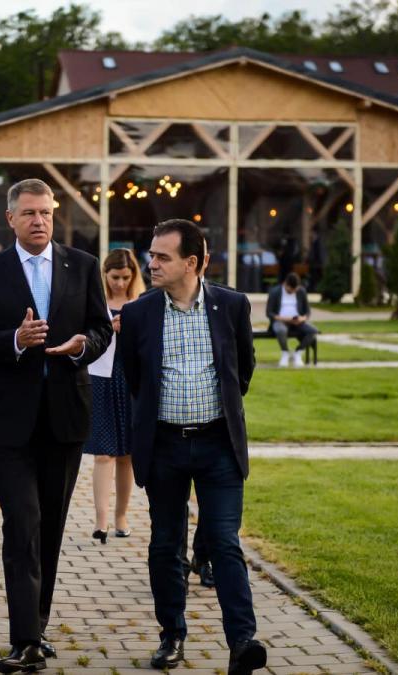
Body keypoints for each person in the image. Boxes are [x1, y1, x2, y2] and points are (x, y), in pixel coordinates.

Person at [0, 178, 112, 673]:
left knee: (50, 528)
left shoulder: (84, 265)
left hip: (65, 417)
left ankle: (38, 626)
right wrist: (17, 340)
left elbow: (101, 329)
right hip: (9, 424)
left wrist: (81, 348)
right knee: (22, 526)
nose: (39, 220)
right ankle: (24, 640)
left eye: (46, 212)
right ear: (11, 218)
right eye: (29, 213)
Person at [119, 219, 266, 675]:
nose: (152, 262)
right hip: (163, 446)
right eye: (152, 254)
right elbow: (134, 377)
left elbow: (241, 371)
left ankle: (242, 641)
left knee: (223, 541)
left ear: (193, 262)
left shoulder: (232, 306)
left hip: (219, 445)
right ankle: (172, 635)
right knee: (166, 544)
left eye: (162, 257)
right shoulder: (140, 312)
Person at [84, 248, 144, 544]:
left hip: (131, 380)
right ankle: (101, 520)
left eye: (125, 277)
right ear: (105, 275)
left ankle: (121, 516)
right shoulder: (96, 303)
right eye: (115, 277)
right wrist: (110, 328)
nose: (120, 283)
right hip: (101, 378)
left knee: (126, 455)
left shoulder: (141, 303)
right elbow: (86, 334)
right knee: (103, 453)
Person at [266, 272, 318, 367]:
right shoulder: (275, 292)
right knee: (281, 330)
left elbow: (307, 312)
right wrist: (285, 319)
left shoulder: (301, 291)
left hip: (298, 322)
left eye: (295, 289)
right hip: (280, 321)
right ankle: (285, 352)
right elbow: (269, 313)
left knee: (313, 331)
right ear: (285, 284)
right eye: (291, 289)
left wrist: (302, 318)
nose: (293, 291)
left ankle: (298, 352)